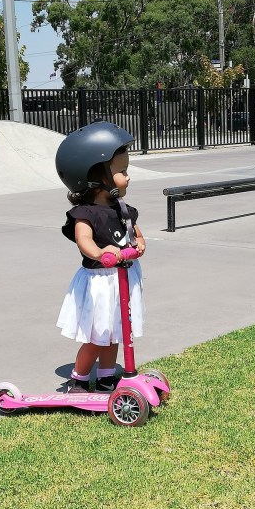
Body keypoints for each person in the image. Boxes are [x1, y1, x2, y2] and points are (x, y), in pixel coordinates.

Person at [54, 120, 146, 393]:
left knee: (116, 331)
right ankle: (79, 379)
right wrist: (101, 252)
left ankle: (107, 376)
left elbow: (138, 234)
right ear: (95, 176)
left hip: (123, 277)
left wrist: (139, 244)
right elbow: (84, 241)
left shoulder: (124, 209)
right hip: (100, 282)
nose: (128, 176)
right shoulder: (85, 214)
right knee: (97, 336)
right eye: (122, 171)